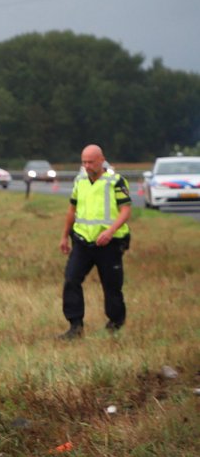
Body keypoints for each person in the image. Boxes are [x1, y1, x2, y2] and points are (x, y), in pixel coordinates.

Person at [58, 143, 132, 339]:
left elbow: (125, 210)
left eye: (91, 162)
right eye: (84, 162)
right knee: (71, 280)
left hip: (109, 242)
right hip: (82, 241)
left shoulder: (116, 181)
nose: (87, 166)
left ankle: (115, 322)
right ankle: (75, 326)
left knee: (111, 285)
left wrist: (110, 231)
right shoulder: (80, 181)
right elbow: (72, 210)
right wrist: (64, 236)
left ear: (101, 160)